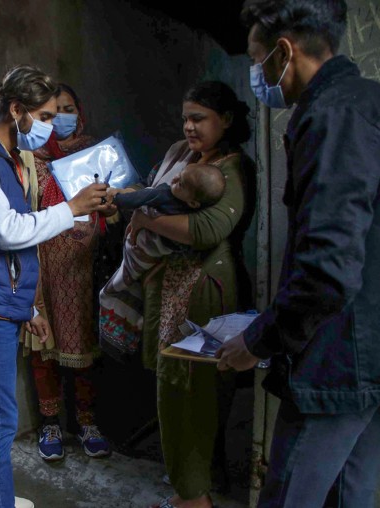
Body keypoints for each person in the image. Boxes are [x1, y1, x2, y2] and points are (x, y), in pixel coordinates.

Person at [218, 1, 380, 507]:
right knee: (352, 493)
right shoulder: (368, 101)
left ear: (284, 52)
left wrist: (259, 340)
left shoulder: (330, 117)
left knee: (291, 495)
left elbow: (328, 269)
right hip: (368, 353)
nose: (258, 75)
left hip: (337, 360)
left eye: (256, 60)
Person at [0, 65, 111, 508]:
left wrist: (28, 309)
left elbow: (5, 252)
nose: (49, 125)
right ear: (16, 110)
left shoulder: (4, 157)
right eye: (44, 116)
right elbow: (7, 231)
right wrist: (71, 209)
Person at [124, 81, 255, 508]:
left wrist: (146, 220)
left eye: (199, 118)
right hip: (174, 286)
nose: (189, 127)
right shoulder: (186, 158)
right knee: (178, 388)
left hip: (201, 290)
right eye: (185, 118)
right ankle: (196, 483)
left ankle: (193, 497)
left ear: (226, 120)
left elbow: (206, 230)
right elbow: (153, 192)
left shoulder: (232, 169)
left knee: (191, 392)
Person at [26, 82, 112, 462]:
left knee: (83, 348)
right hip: (41, 267)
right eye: (53, 111)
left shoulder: (97, 155)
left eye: (68, 109)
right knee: (43, 346)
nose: (61, 118)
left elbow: (116, 206)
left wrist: (110, 208)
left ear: (80, 113)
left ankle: (87, 421)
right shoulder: (29, 160)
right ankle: (50, 423)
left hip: (82, 269)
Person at [100, 163, 226, 355]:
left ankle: (117, 322)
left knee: (116, 286)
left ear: (194, 203)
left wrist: (115, 198)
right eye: (179, 175)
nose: (174, 179)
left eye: (180, 183)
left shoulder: (165, 194)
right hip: (162, 255)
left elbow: (139, 198)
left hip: (143, 252)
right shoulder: (195, 204)